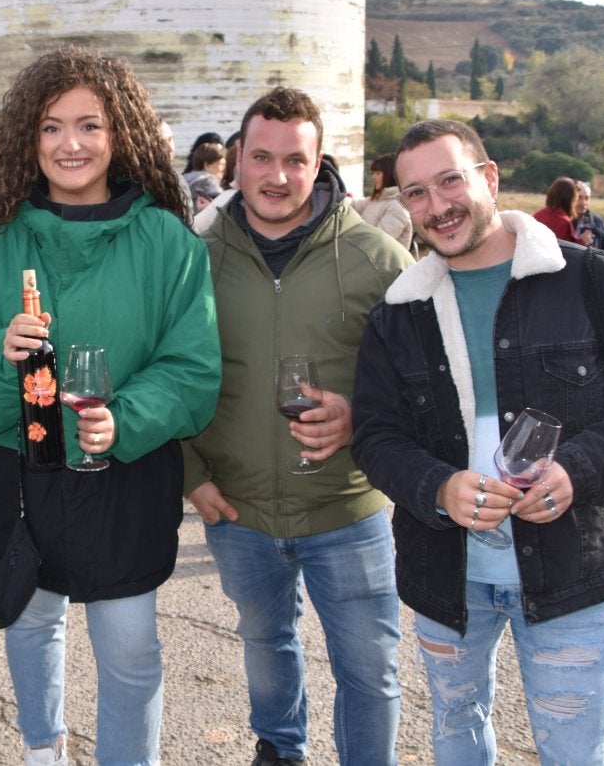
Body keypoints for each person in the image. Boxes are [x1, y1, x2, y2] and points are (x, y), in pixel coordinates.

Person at [351, 119, 604, 765]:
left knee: (572, 750)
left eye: (449, 180)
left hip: (571, 571)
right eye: (416, 193)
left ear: (489, 178)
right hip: (448, 580)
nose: (437, 206)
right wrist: (438, 486)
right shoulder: (397, 312)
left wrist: (579, 469)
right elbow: (374, 435)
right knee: (457, 735)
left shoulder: (594, 282)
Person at [0, 46, 222, 766]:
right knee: (33, 624)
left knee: (129, 644)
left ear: (119, 133)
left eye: (89, 125)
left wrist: (127, 416)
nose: (71, 144)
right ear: (27, 141)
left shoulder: (168, 242)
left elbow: (193, 369)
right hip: (23, 476)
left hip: (125, 475)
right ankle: (43, 749)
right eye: (52, 127)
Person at [183, 87, 412, 766]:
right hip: (239, 510)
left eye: (294, 160)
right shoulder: (193, 256)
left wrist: (362, 415)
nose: (277, 176)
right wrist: (192, 478)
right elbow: (167, 370)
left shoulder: (377, 259)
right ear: (236, 162)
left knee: (370, 672)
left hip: (348, 507)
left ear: (319, 165)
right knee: (266, 643)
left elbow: (424, 385)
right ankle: (280, 749)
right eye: (261, 157)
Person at [353, 152, 414, 253]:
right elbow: (352, 205)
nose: (373, 177)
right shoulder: (375, 200)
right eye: (373, 173)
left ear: (389, 175)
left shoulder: (397, 207)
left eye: (378, 173)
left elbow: (378, 242)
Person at [531, 177, 583, 244]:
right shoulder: (564, 222)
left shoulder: (538, 214)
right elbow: (566, 251)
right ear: (570, 199)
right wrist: (583, 241)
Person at [572, 180, 604, 251]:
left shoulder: (596, 221)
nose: (583, 202)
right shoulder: (564, 220)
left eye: (587, 198)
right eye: (579, 197)